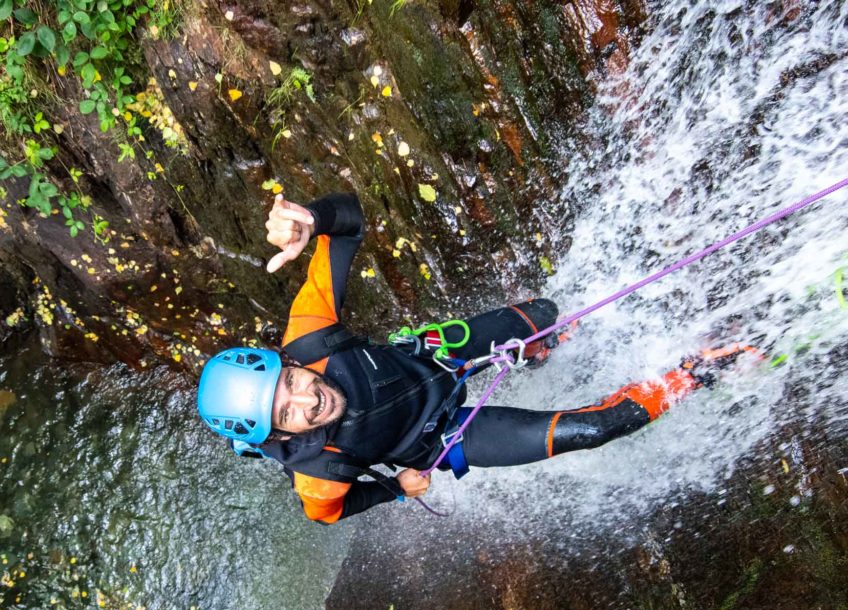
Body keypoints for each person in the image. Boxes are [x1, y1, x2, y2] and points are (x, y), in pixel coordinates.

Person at [197, 193, 756, 524]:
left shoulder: (309, 333)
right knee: (598, 429)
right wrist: (396, 488)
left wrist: (313, 221)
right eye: (288, 412)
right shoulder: (316, 479)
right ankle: (697, 371)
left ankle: (544, 345)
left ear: (283, 359)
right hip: (447, 437)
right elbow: (336, 513)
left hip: (432, 357)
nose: (306, 397)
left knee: (546, 311)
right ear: (278, 434)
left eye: (290, 381)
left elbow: (351, 221)